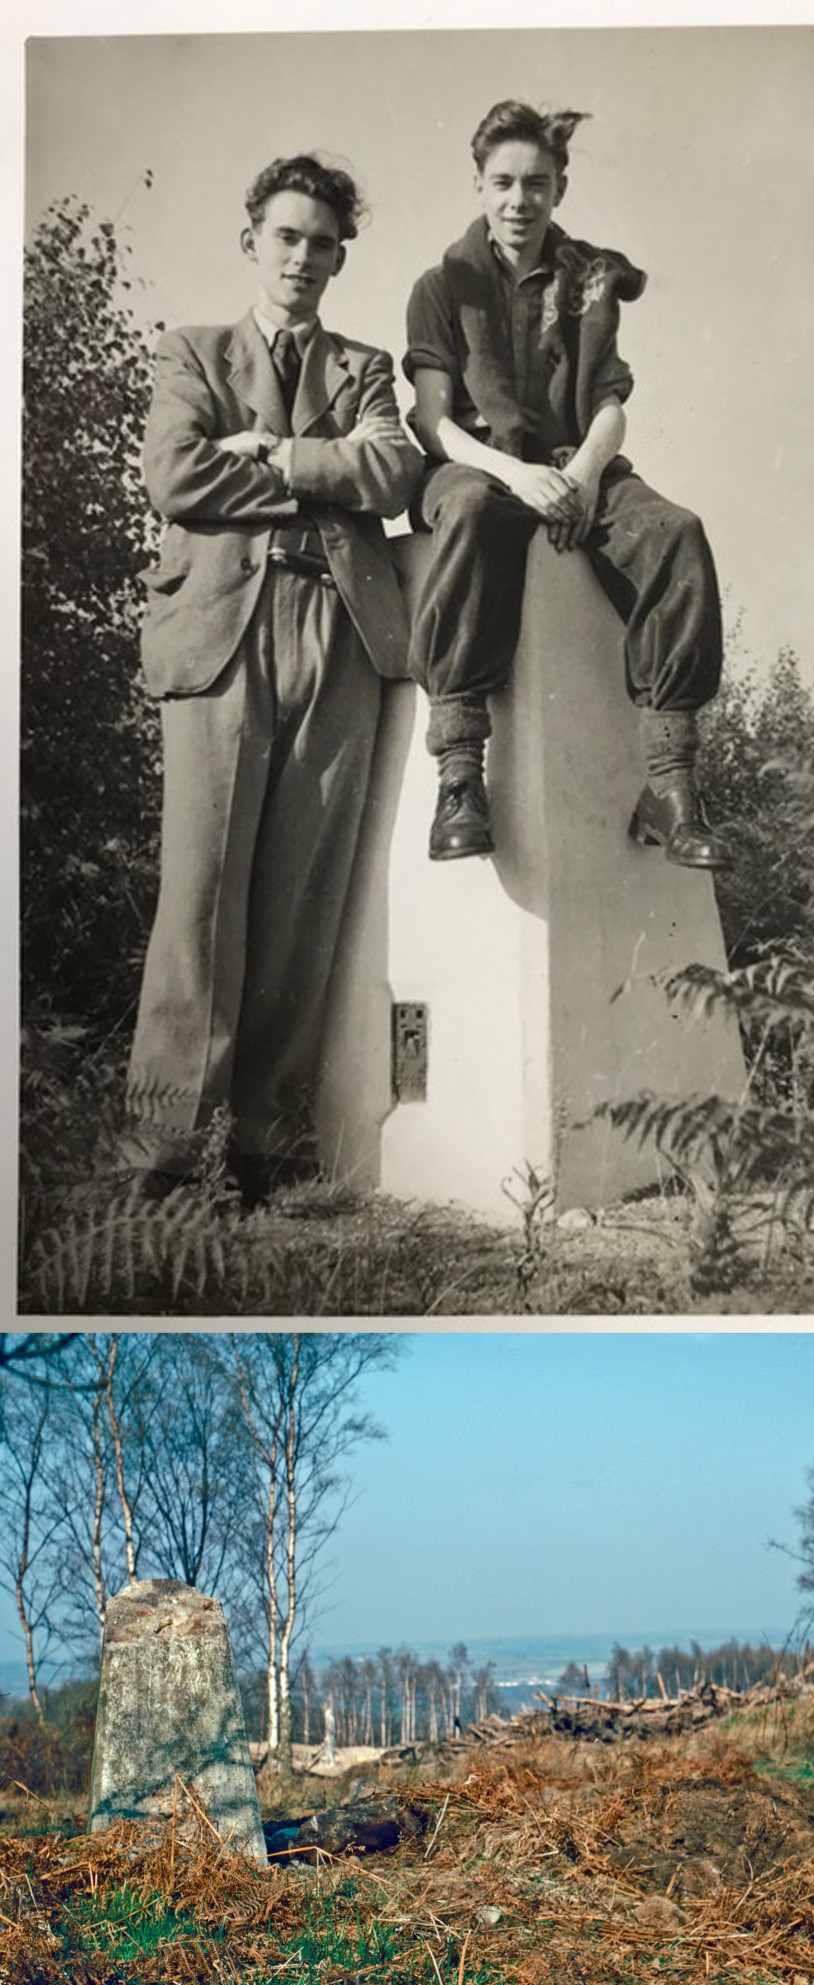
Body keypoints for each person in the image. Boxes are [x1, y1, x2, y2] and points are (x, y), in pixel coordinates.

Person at [123, 152, 422, 1203]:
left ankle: (266, 1147)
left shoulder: (364, 367)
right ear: (252, 240)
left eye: (322, 243)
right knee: (202, 894)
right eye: (286, 236)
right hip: (221, 631)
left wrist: (274, 456)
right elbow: (175, 474)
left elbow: (393, 471)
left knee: (300, 898)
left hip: (340, 632)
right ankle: (167, 1154)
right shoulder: (192, 352)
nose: (302, 257)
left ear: (341, 258)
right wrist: (321, 471)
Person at [403, 99, 730, 871]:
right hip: (478, 466)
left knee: (676, 533)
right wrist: (517, 474)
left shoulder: (589, 282)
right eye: (504, 183)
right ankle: (460, 776)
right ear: (479, 185)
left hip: (575, 465)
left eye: (537, 184)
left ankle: (670, 786)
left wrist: (581, 475)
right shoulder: (442, 285)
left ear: (560, 188)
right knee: (472, 509)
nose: (520, 201)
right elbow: (432, 420)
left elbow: (611, 403)